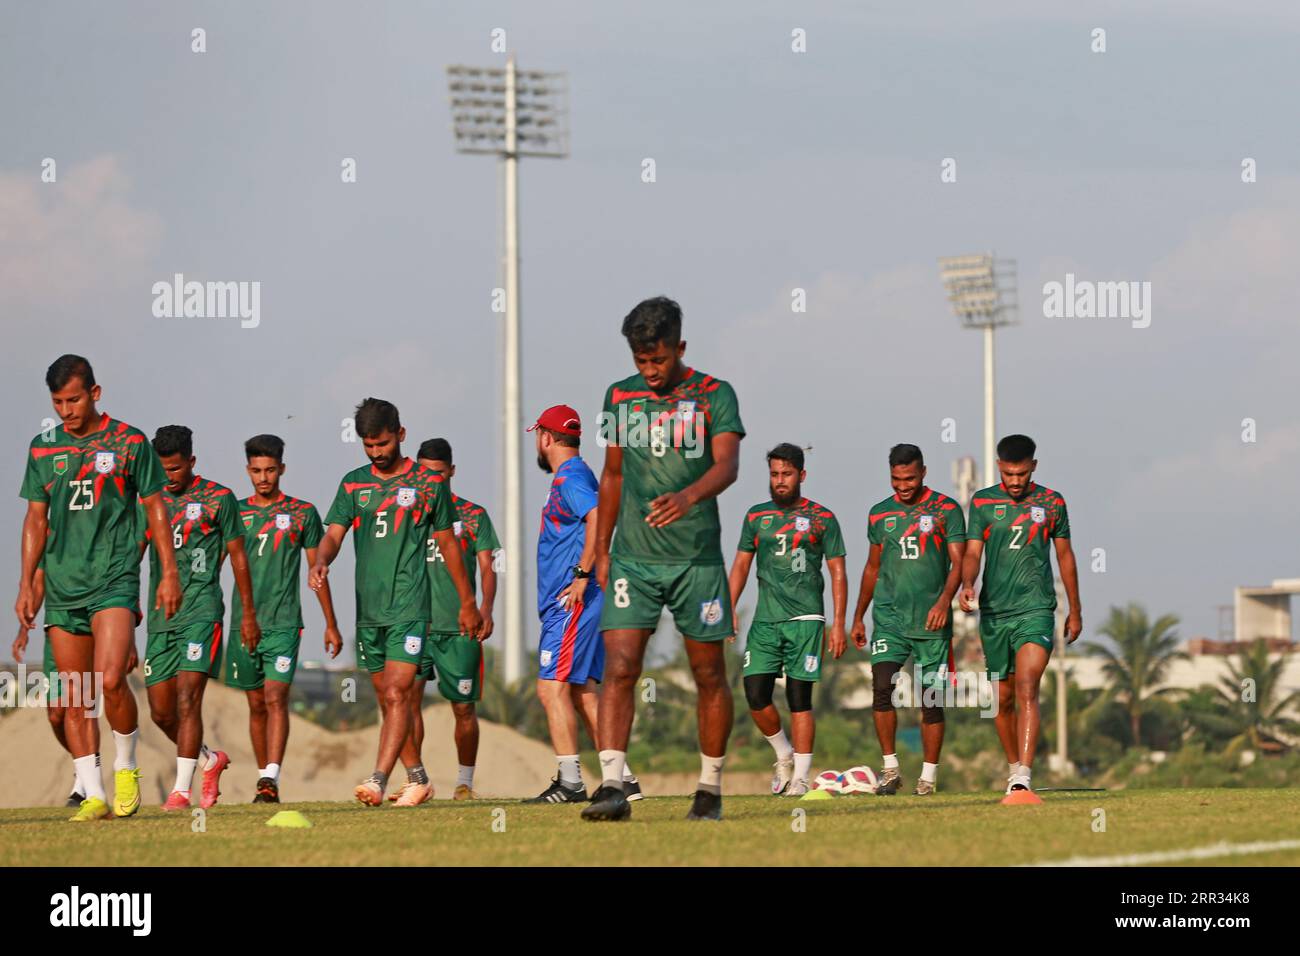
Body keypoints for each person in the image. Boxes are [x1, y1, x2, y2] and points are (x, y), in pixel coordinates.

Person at [586, 297, 744, 823]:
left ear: (679, 347)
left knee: (707, 673)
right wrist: (600, 550)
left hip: (696, 561)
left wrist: (689, 496)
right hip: (633, 558)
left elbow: (728, 465)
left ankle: (709, 788)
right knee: (621, 667)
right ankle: (611, 786)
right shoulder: (620, 397)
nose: (649, 372)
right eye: (640, 361)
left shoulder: (713, 395)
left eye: (657, 359)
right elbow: (613, 476)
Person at [16, 354, 181, 822]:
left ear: (95, 393)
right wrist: (27, 584)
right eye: (58, 402)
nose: (66, 410)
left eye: (73, 400)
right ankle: (93, 794)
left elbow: (155, 508)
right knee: (73, 696)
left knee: (110, 679)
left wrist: (168, 573)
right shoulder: (43, 448)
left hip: (114, 577)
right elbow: (35, 518)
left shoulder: (129, 442)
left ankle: (126, 765)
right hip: (64, 584)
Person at [310, 398, 482, 806]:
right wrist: (320, 559)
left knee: (397, 694)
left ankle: (377, 779)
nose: (376, 453)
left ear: (401, 435)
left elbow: (448, 544)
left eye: (383, 443)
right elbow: (334, 534)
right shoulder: (353, 484)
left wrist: (467, 602)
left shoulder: (428, 484)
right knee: (387, 699)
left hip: (409, 606)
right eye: (369, 446)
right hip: (368, 611)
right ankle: (419, 778)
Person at [527, 405, 639, 803]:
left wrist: (581, 573)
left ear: (546, 438)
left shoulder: (571, 478)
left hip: (573, 599)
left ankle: (571, 782)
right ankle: (622, 778)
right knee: (581, 690)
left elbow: (597, 517)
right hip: (576, 599)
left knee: (550, 687)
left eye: (537, 436)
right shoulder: (573, 475)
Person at [959, 434, 1082, 794]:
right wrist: (968, 583)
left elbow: (1065, 557)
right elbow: (972, 553)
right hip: (995, 614)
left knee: (1029, 686)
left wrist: (1075, 609)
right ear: (1000, 467)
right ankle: (1013, 767)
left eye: (1022, 474)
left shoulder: (1052, 502)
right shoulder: (982, 503)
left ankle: (1024, 777)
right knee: (1004, 698)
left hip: (1037, 609)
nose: (1015, 482)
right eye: (1009, 474)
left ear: (1034, 467)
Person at [142, 425, 255, 810]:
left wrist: (248, 614)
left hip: (202, 611)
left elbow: (239, 558)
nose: (167, 477)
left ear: (191, 462)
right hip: (161, 617)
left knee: (189, 699)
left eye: (174, 469)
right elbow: (136, 550)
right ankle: (209, 760)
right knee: (160, 711)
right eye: (161, 470)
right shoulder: (150, 500)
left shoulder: (219, 499)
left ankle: (181, 790)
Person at [226, 434, 343, 803]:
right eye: (257, 471)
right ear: (248, 470)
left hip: (284, 623)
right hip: (244, 624)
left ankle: (271, 777)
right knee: (256, 703)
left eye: (271, 470)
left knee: (276, 697)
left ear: (282, 469)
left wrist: (331, 622)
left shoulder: (302, 513)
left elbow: (317, 570)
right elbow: (214, 564)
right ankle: (265, 780)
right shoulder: (235, 513)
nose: (264, 478)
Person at [728, 444, 846, 797]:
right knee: (754, 693)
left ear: (801, 476)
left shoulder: (822, 518)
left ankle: (802, 778)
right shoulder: (755, 517)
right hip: (766, 621)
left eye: (787, 474)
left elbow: (837, 571)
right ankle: (783, 753)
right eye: (775, 474)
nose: (780, 481)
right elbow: (740, 566)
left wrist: (838, 623)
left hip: (807, 620)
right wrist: (729, 607)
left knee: (799, 697)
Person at [385, 438, 498, 804]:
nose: (430, 479)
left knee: (463, 708)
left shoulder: (474, 515)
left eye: (437, 472)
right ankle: (415, 779)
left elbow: (487, 566)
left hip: (459, 627)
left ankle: (464, 782)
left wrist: (486, 608)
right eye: (424, 472)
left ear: (451, 471)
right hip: (414, 622)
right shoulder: (409, 514)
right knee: (406, 701)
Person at [849, 444, 965, 796]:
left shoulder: (946, 509)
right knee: (882, 687)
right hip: (890, 619)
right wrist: (858, 616)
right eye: (896, 479)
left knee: (930, 701)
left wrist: (945, 602)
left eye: (909, 478)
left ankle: (928, 778)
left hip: (931, 622)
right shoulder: (879, 514)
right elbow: (872, 567)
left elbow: (958, 563)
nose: (902, 486)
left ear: (924, 472)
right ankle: (890, 769)